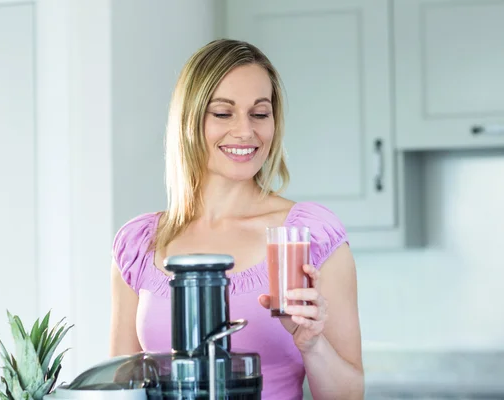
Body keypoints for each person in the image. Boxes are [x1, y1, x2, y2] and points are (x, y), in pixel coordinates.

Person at [109, 39, 364, 399]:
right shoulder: (139, 244)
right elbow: (123, 390)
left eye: (260, 114)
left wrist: (312, 345)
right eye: (223, 113)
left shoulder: (307, 237)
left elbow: (349, 395)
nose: (246, 131)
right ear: (190, 120)